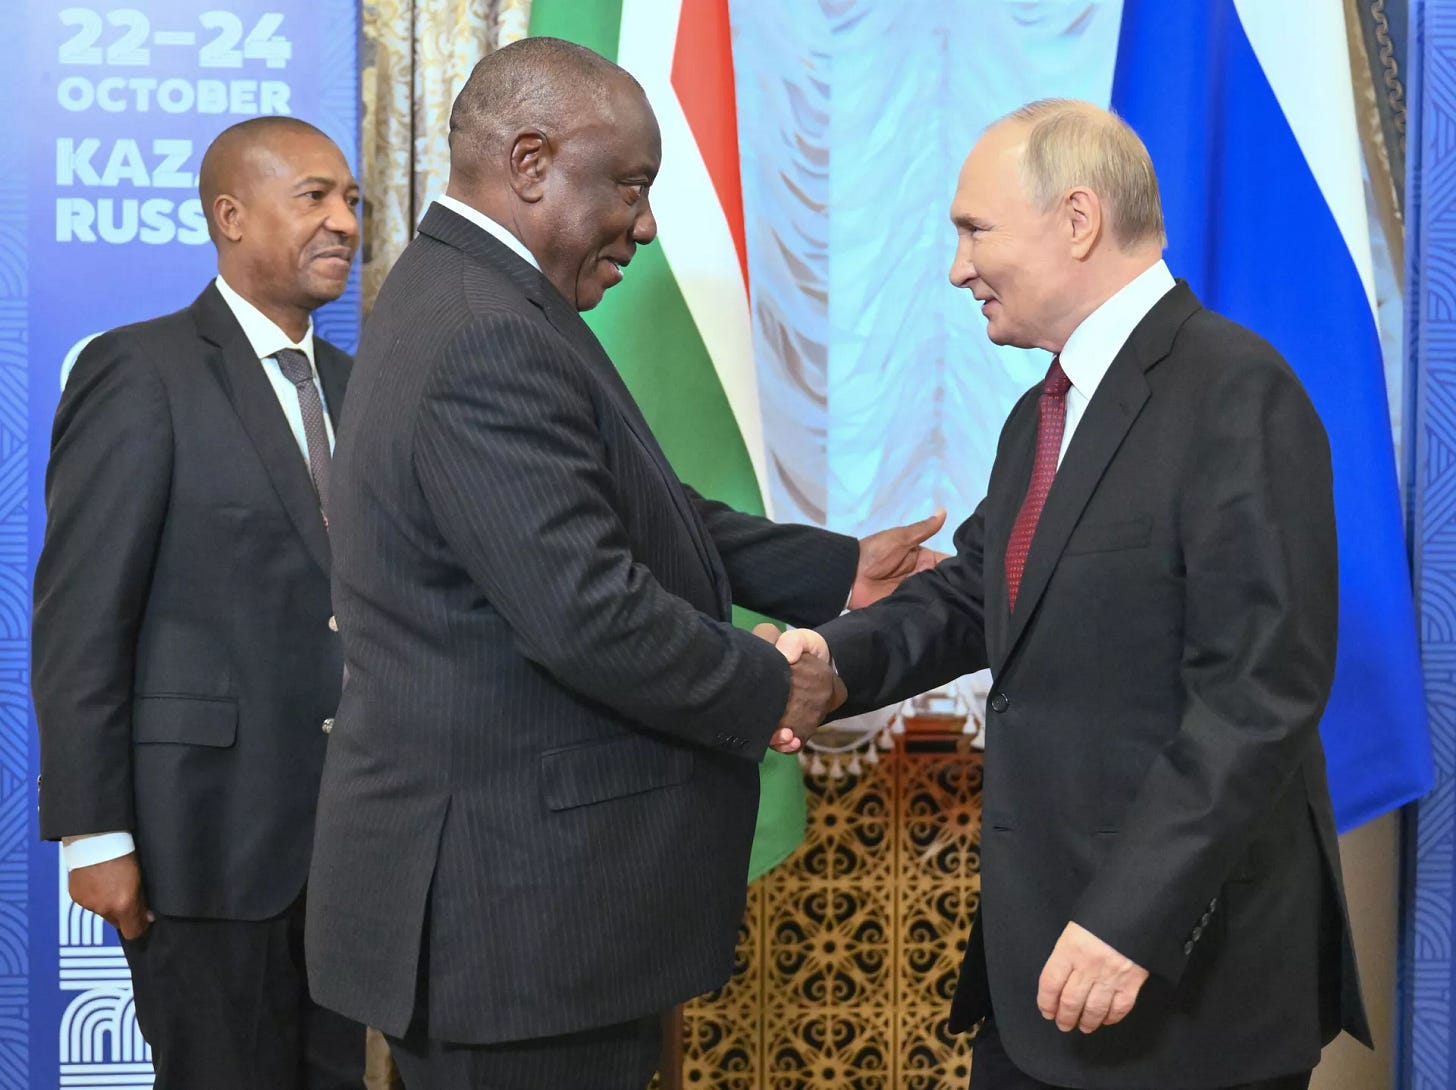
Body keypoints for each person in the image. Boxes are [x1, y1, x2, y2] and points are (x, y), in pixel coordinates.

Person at [303, 36, 942, 1090]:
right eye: (631, 186)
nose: (644, 224)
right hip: (515, 929)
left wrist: (834, 574)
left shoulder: (480, 300)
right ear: (529, 162)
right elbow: (589, 611)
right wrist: (778, 681)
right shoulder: (483, 335)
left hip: (522, 924)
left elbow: (640, 513)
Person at [774, 99, 1370, 1090]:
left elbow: (1257, 694)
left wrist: (1128, 917)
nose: (957, 267)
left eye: (973, 230)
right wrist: (831, 666)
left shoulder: (1236, 391)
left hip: (1175, 978)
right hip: (1034, 972)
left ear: (1078, 219)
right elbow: (980, 594)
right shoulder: (1038, 415)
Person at [32, 116, 367, 1090]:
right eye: (315, 197)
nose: (344, 221)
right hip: (202, 846)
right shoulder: (140, 369)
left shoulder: (365, 386)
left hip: (353, 852)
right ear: (230, 214)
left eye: (352, 201)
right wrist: (93, 833)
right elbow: (83, 615)